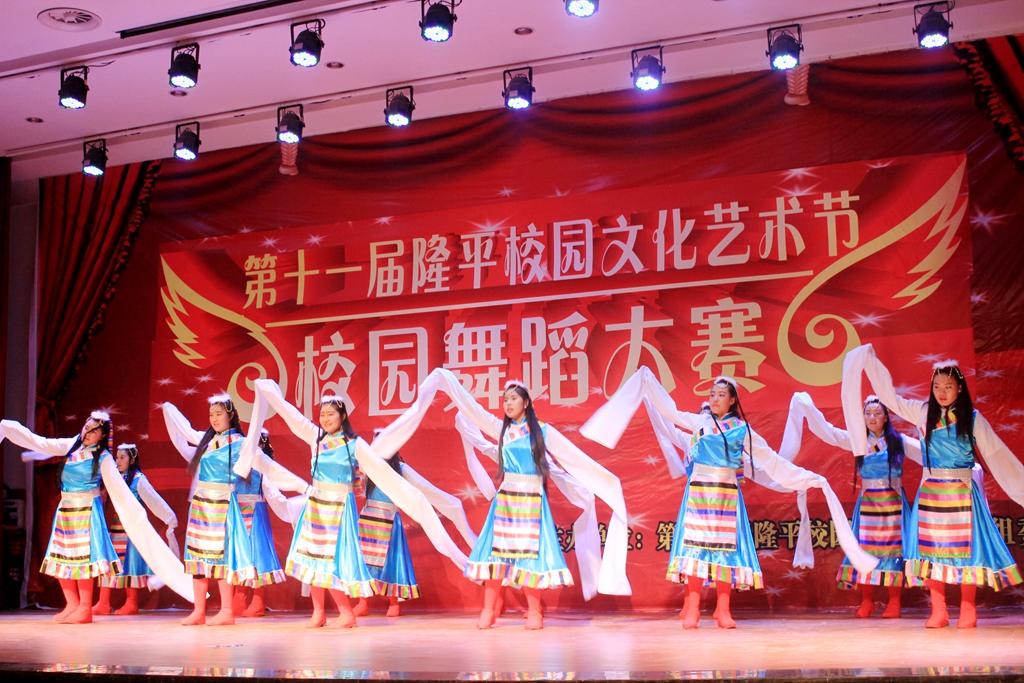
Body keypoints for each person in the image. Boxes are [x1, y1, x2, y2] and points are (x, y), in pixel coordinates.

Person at [580, 367, 879, 629]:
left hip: (726, 497)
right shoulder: (699, 424)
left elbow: (771, 460)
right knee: (695, 551)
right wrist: (648, 383)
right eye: (712, 394)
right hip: (699, 496)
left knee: (725, 553)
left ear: (733, 400)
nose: (714, 398)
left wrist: (805, 478)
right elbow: (671, 413)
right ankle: (693, 607)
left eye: (721, 394)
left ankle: (723, 609)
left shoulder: (741, 430)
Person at [842, 344, 1024, 628]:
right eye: (937, 386)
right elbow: (890, 398)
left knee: (968, 552)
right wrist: (870, 361)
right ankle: (938, 610)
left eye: (948, 386)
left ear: (959, 389)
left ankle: (967, 608)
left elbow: (998, 455)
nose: (942, 392)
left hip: (962, 493)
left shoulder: (972, 419)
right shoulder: (923, 412)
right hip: (931, 494)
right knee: (930, 551)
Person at [94, 444, 178, 615]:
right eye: (116, 457)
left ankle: (131, 602)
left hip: (132, 531)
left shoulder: (138, 479)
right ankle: (103, 602)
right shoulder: (114, 478)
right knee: (110, 562)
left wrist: (169, 518)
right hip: (115, 528)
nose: (118, 461)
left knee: (129, 564)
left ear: (131, 460)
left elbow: (154, 499)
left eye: (122, 457)